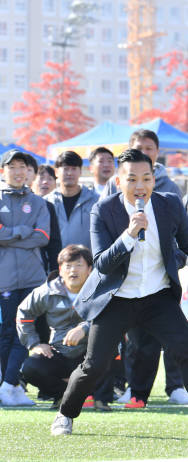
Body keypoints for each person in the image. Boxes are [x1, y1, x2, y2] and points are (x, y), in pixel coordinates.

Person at [51, 149, 188, 436]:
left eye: (147, 178)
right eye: (132, 179)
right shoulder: (103, 210)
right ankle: (65, 414)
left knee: (185, 347)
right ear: (117, 181)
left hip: (157, 296)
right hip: (116, 298)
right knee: (95, 364)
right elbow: (100, 263)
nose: (140, 186)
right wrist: (129, 234)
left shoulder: (170, 204)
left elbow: (184, 247)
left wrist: (171, 262)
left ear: (154, 179)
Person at [103, 129, 188, 407]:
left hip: (160, 278)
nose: (145, 152)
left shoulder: (169, 188)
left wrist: (173, 262)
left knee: (175, 337)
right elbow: (103, 227)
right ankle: (137, 391)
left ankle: (175, 386)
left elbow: (180, 237)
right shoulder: (114, 185)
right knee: (137, 341)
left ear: (157, 152)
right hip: (126, 276)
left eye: (150, 148)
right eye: (139, 147)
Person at [0, 149, 50, 406]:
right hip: (4, 277)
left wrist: (12, 236)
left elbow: (43, 237)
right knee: (8, 331)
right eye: (13, 167)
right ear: (2, 171)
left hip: (34, 278)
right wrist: (24, 231)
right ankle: (8, 386)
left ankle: (11, 385)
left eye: (23, 167)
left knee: (26, 329)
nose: (19, 172)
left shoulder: (39, 202)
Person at [18, 245, 111, 411]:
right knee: (30, 367)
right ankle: (64, 394)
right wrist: (34, 344)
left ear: (90, 269)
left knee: (114, 344)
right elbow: (23, 313)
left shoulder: (101, 289)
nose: (73, 270)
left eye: (79, 265)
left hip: (91, 351)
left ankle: (100, 398)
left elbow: (111, 318)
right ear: (60, 270)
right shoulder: (46, 292)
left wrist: (85, 328)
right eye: (68, 266)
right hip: (61, 351)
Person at [46, 151, 99, 250]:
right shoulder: (47, 202)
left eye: (74, 169)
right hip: (55, 263)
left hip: (86, 262)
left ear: (80, 171)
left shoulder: (95, 201)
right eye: (65, 169)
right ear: (56, 172)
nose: (69, 173)